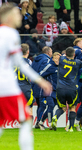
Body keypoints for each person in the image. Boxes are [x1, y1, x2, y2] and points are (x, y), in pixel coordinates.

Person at [0, 3, 52, 150]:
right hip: (7, 86)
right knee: (26, 121)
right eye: (17, 14)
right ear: (9, 16)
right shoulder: (11, 34)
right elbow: (21, 64)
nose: (20, 17)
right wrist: (40, 80)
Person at [51, 47, 82, 132]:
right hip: (72, 88)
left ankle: (55, 117)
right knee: (72, 107)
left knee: (62, 108)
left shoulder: (62, 59)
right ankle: (71, 127)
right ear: (74, 55)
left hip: (60, 88)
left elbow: (64, 55)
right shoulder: (77, 62)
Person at [37, 52, 61, 130]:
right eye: (56, 58)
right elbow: (40, 74)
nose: (57, 60)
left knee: (51, 107)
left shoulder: (61, 67)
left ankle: (41, 122)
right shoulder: (49, 66)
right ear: (53, 58)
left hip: (57, 91)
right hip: (50, 90)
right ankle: (51, 124)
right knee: (50, 105)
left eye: (59, 59)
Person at [32, 46, 52, 128]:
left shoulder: (36, 59)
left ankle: (38, 122)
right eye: (51, 51)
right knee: (42, 104)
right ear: (48, 52)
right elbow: (43, 72)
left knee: (40, 104)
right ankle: (39, 122)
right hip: (41, 84)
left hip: (34, 84)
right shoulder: (46, 60)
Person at [14, 43, 35, 119]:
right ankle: (29, 129)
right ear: (28, 51)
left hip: (15, 88)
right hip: (26, 87)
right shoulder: (29, 62)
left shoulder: (13, 62)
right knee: (29, 108)